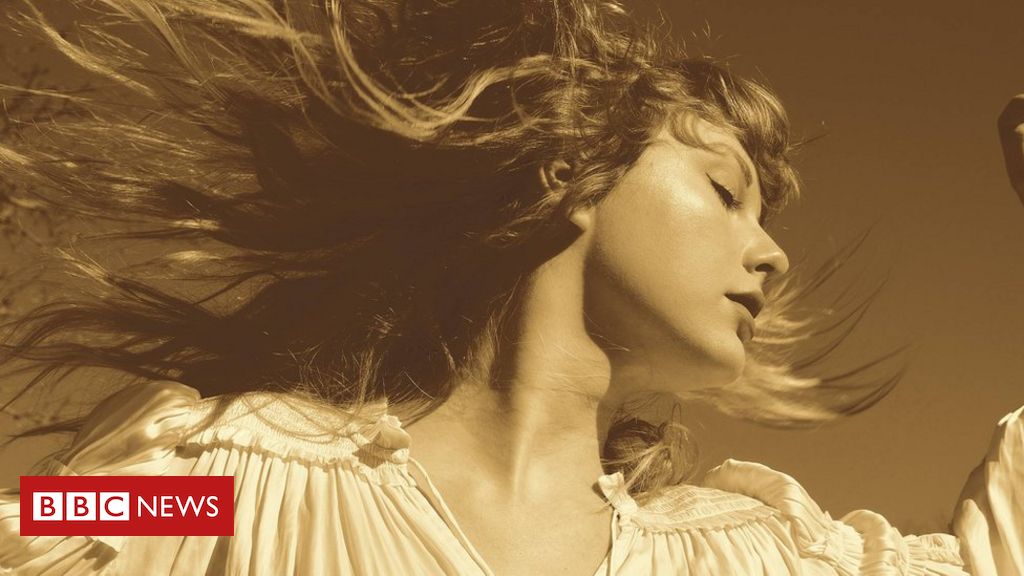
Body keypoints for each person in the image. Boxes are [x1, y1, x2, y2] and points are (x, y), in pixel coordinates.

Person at [0, 1, 1020, 574]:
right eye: (725, 192)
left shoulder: (752, 554)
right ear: (569, 173)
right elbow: (34, 528)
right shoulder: (219, 473)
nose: (772, 256)